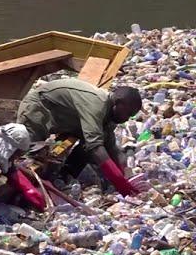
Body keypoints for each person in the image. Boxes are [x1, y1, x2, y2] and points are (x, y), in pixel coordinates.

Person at [17, 78, 147, 196]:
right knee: (25, 152)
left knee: (95, 141)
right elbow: (95, 147)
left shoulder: (109, 115)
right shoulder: (97, 105)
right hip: (40, 106)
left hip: (65, 117)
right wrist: (120, 183)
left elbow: (111, 147)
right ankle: (22, 189)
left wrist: (127, 173)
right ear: (117, 103)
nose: (126, 119)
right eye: (128, 113)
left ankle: (64, 175)